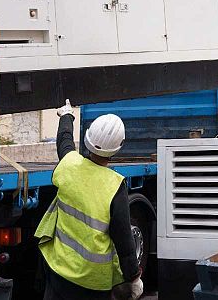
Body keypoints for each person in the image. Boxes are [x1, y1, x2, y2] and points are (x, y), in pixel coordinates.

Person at [35, 100, 144, 300]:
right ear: (117, 148)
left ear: (87, 139)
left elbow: (64, 142)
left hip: (59, 269)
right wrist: (134, 277)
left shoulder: (69, 165)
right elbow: (124, 241)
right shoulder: (114, 185)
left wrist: (67, 116)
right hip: (93, 283)